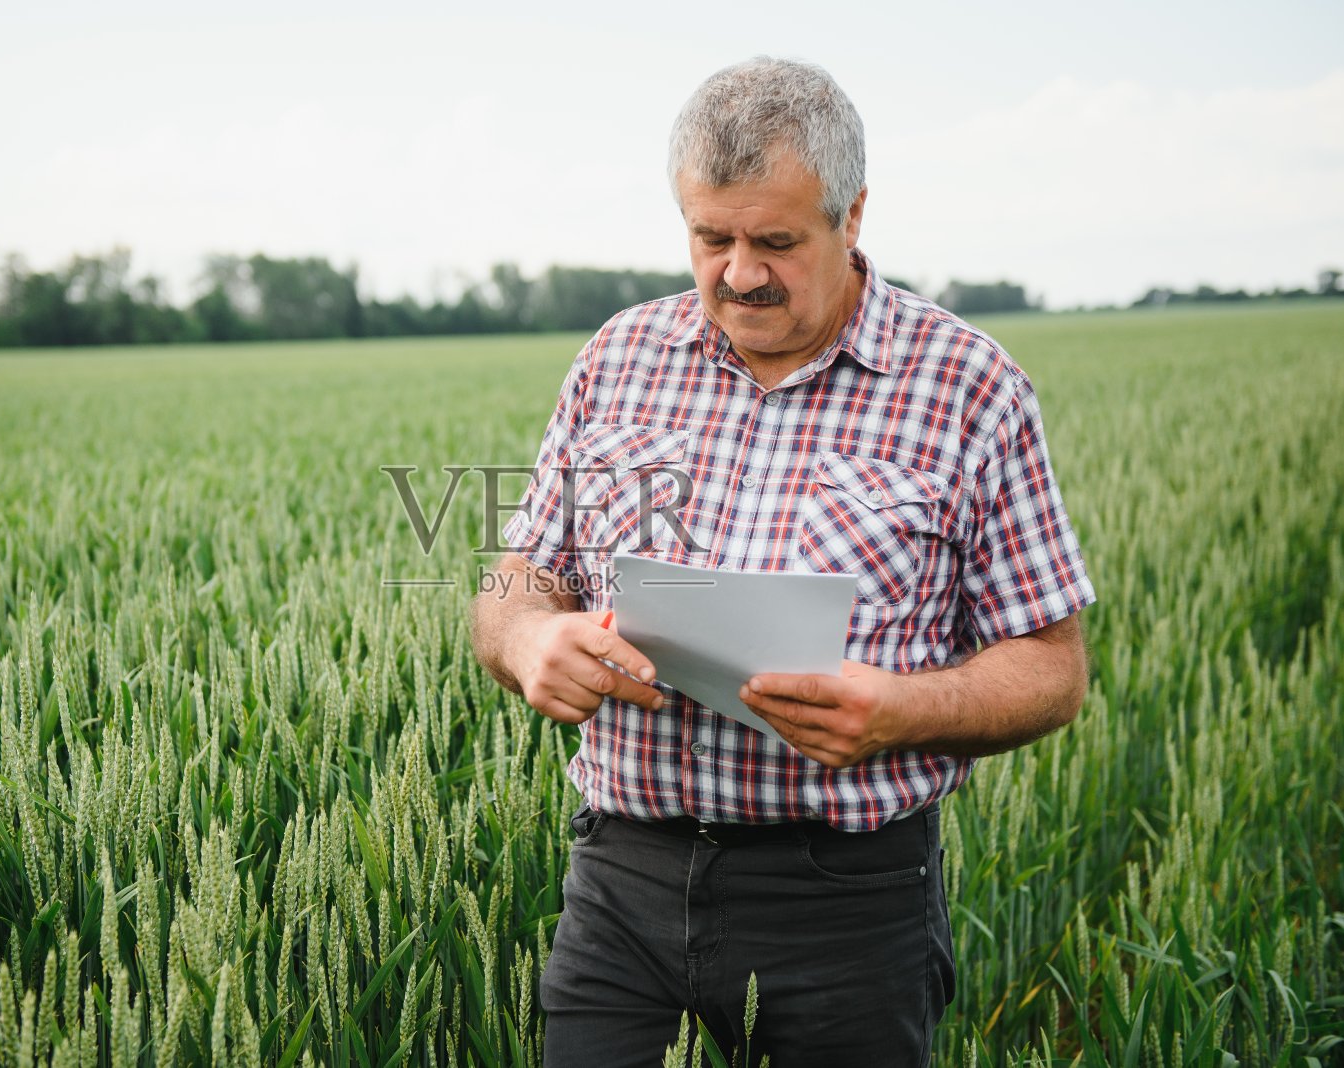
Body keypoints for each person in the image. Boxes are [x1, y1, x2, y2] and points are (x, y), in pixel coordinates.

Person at [469, 56, 1094, 1064]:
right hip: (621, 883)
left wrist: (899, 710)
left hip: (845, 907)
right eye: (710, 238)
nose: (739, 272)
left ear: (852, 216)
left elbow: (1051, 668)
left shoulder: (968, 387)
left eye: (775, 242)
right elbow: (519, 578)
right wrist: (529, 639)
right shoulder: (617, 358)